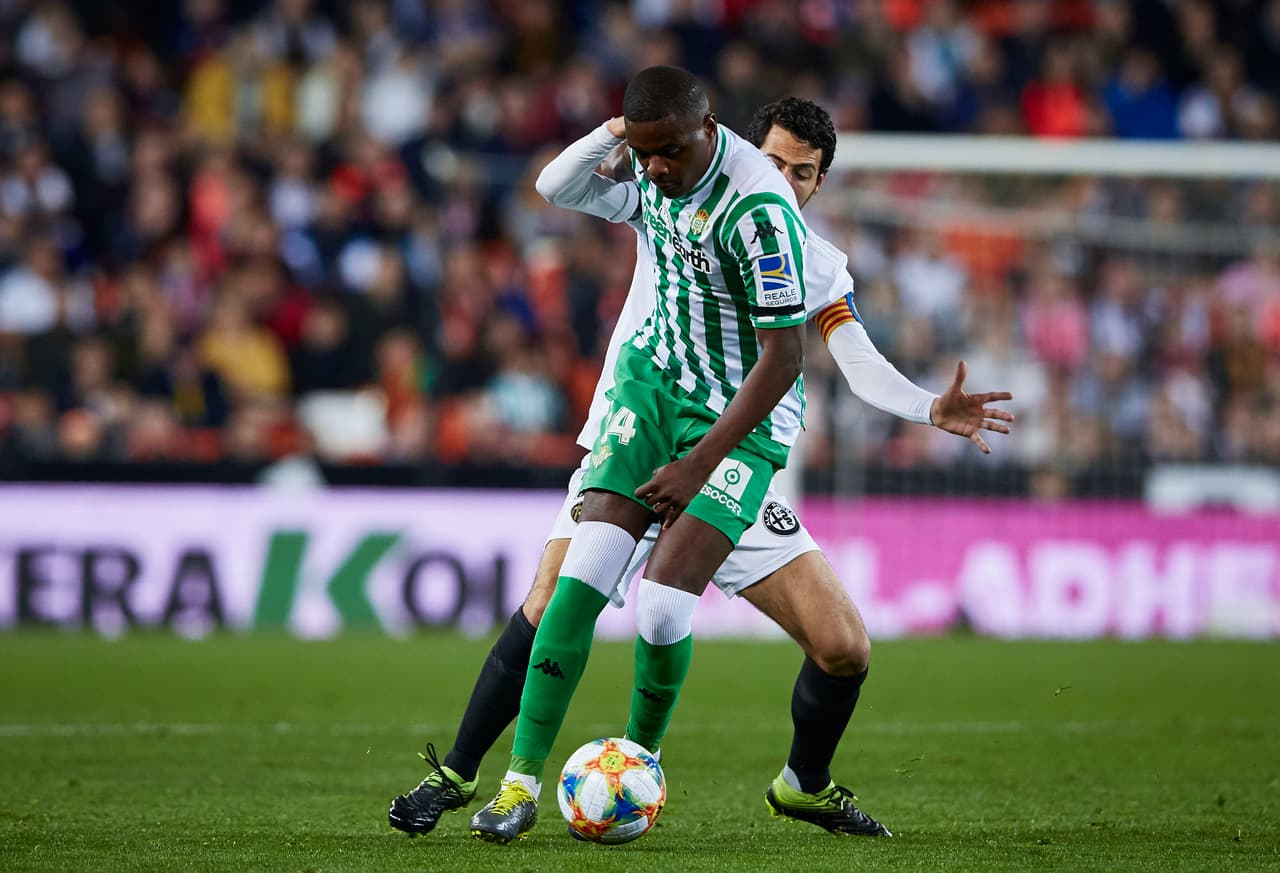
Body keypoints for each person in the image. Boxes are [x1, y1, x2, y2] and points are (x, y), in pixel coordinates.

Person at [388, 93, 1013, 841]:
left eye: (803, 171)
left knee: (843, 645)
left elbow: (851, 355)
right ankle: (460, 772)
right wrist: (625, 127)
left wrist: (924, 408)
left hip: (730, 453)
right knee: (554, 595)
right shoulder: (680, 185)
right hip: (640, 427)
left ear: (819, 184)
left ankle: (802, 784)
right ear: (744, 151)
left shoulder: (810, 262)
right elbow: (560, 185)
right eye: (775, 159)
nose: (785, 177)